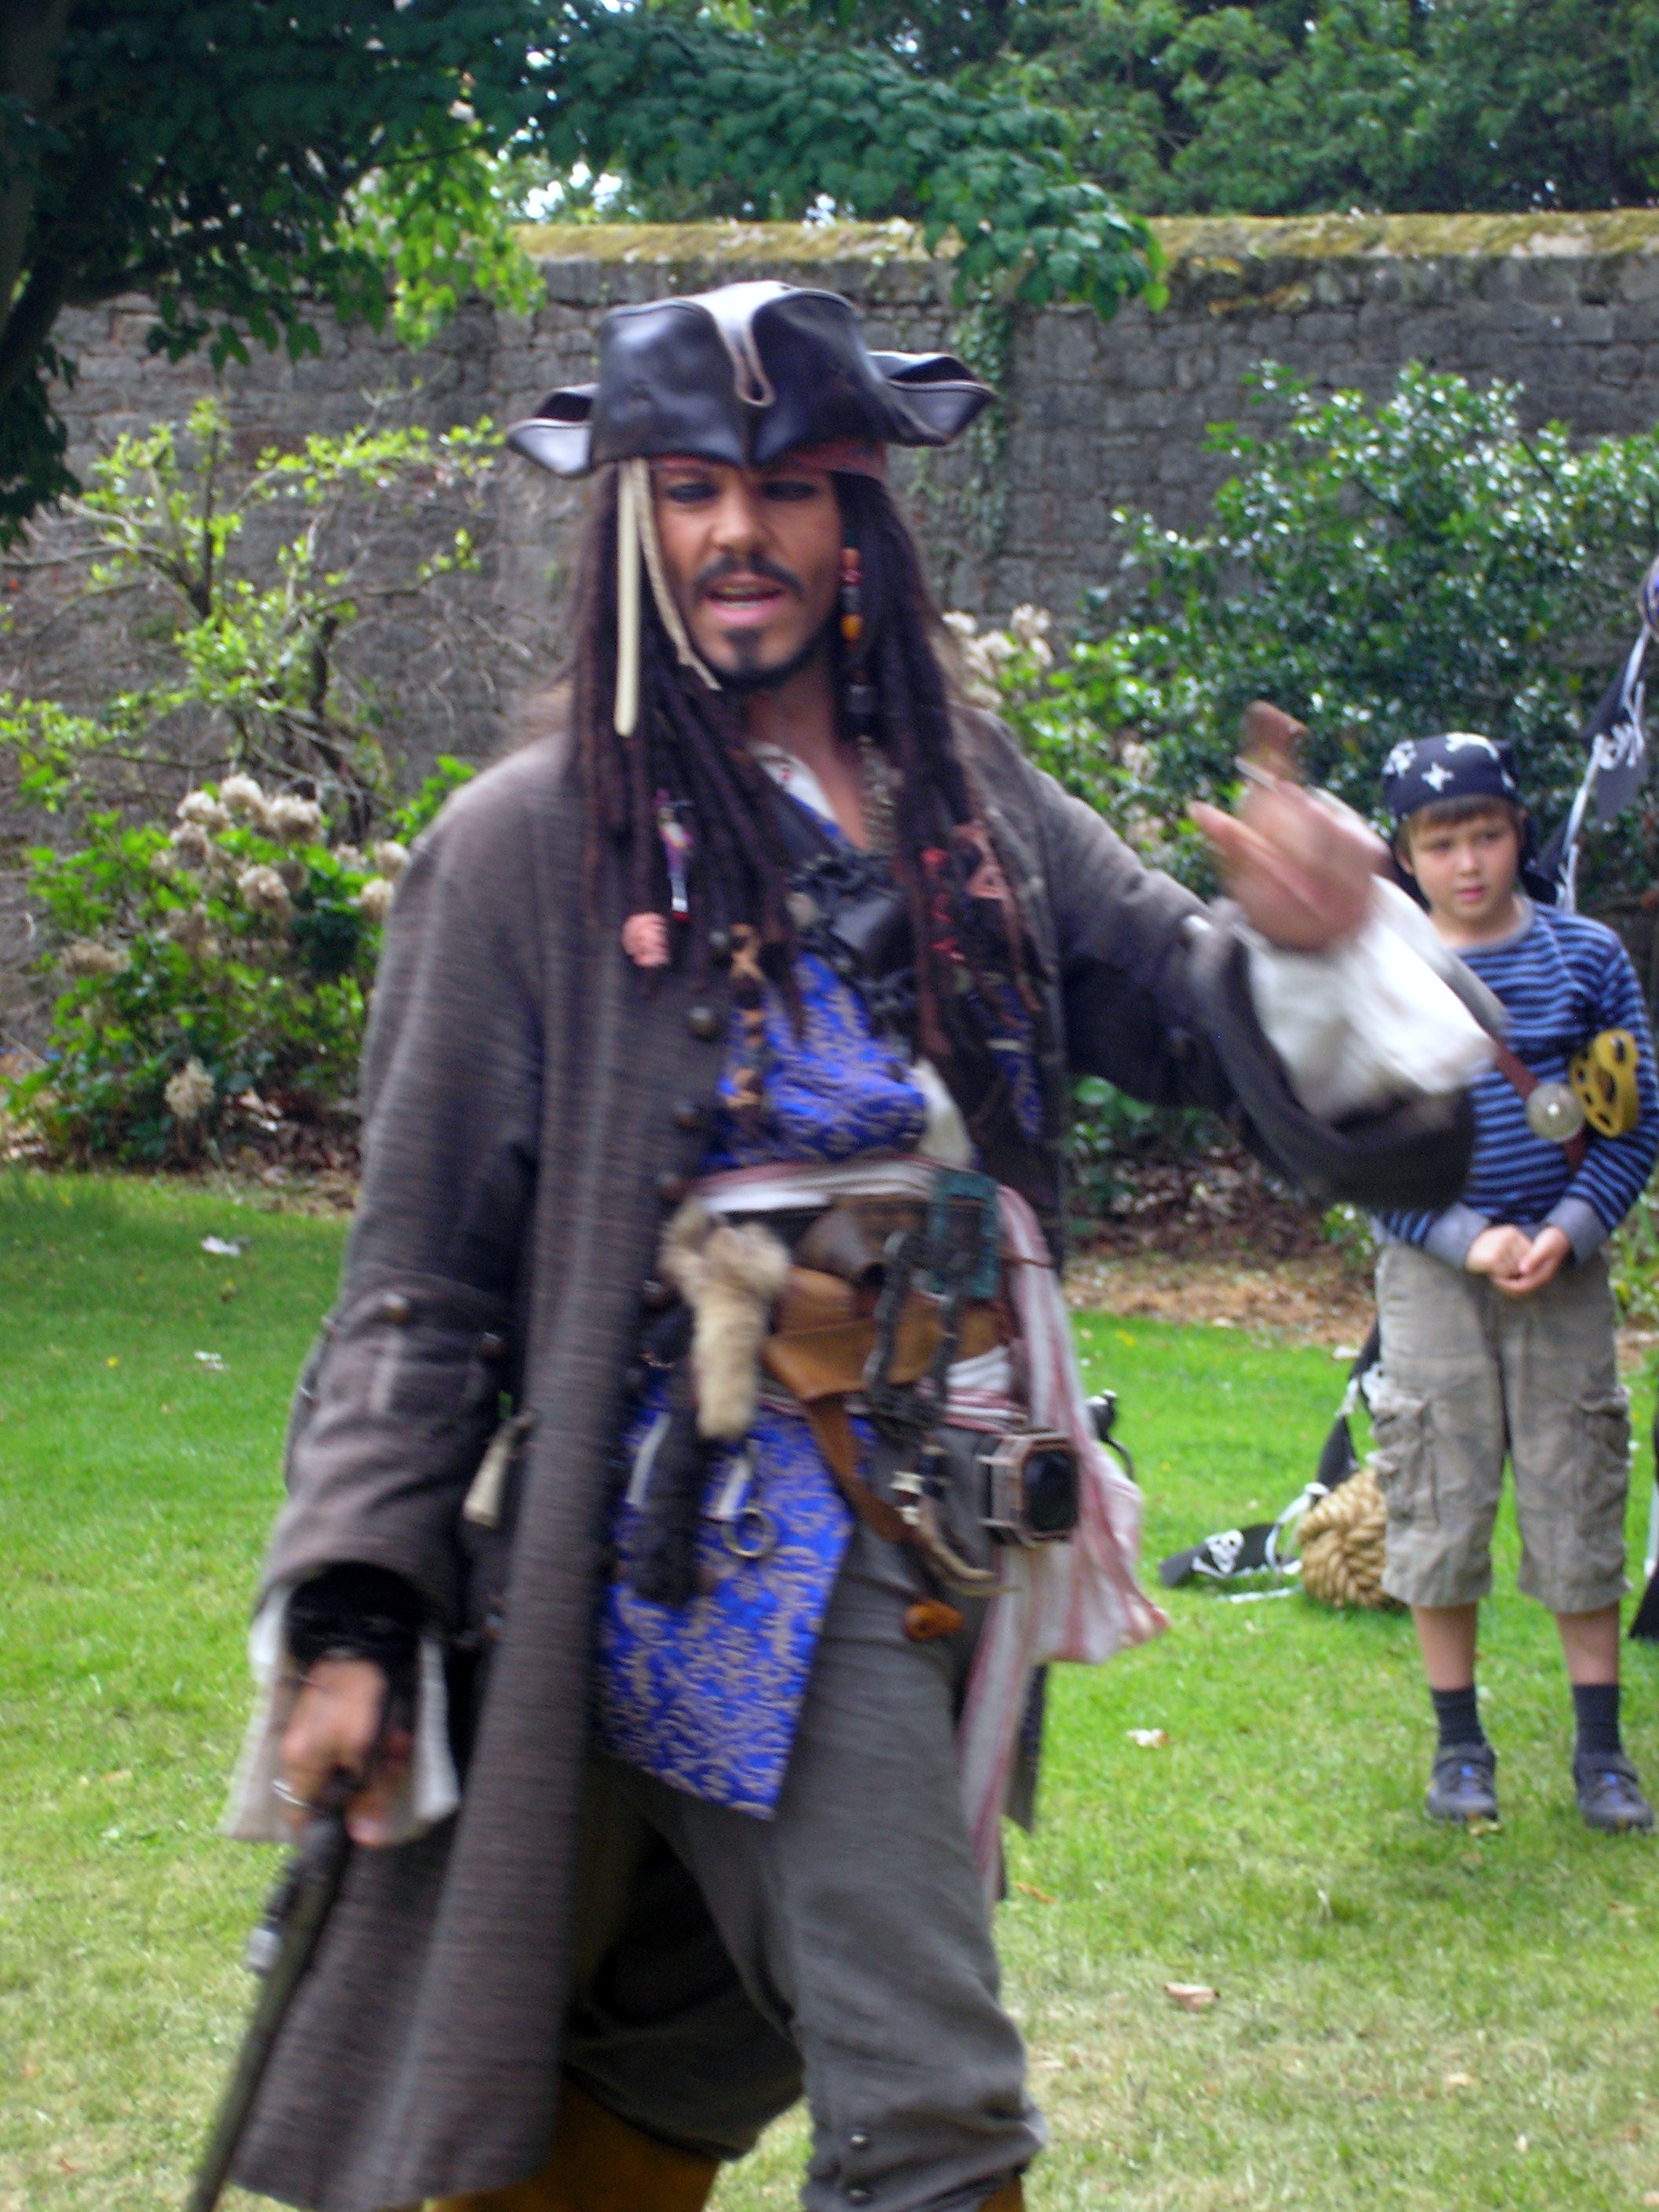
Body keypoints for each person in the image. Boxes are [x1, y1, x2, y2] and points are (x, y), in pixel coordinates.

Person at [217, 281, 1490, 2212]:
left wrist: (1323, 948)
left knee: (673, 2052)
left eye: (791, 488)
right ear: (632, 523)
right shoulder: (525, 842)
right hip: (711, 1545)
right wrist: (351, 1607)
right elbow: (418, 1282)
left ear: (856, 521)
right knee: (933, 2118)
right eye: (693, 492)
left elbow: (1200, 1017)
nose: (740, 532)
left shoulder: (976, 810)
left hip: (933, 1515)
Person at [1373, 733, 1659, 1833]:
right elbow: (1353, 1149)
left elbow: (1632, 1128)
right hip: (1432, 1276)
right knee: (1436, 1496)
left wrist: (1571, 1231)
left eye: (1486, 835)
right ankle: (1460, 1747)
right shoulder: (1381, 972)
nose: (1468, 862)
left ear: (1519, 831)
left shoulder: (1589, 959)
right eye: (1441, 844)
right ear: (1405, 856)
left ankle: (1602, 1753)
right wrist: (1462, 1239)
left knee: (1576, 1485)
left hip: (1562, 1274)